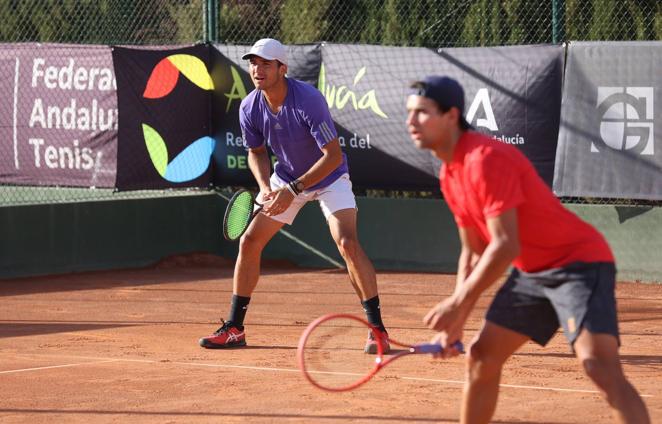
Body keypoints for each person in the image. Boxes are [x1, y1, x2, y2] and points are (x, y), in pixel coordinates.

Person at [405, 76, 650, 424]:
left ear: (451, 115)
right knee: (482, 357)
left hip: (579, 264)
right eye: (409, 113)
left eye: (422, 112)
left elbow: (505, 244)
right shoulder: (449, 174)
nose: (411, 122)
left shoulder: (485, 159)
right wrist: (457, 321)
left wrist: (458, 305)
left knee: (599, 366)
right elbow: (473, 252)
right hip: (532, 272)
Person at [199, 38, 388, 354]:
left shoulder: (308, 100)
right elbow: (256, 152)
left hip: (329, 177)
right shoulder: (249, 106)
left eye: (265, 64)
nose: (257, 70)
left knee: (347, 244)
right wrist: (264, 187)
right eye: (253, 63)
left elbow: (331, 155)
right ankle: (234, 328)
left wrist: (294, 190)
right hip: (285, 178)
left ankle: (377, 330)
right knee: (250, 241)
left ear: (282, 69)